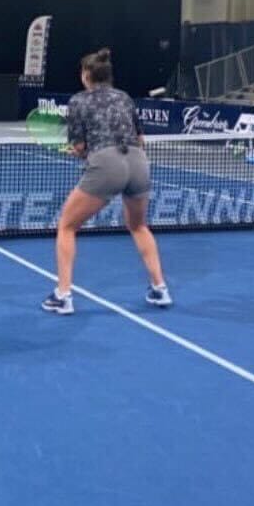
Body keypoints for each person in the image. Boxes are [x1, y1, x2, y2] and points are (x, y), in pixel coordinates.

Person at [42, 48, 171, 315]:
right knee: (138, 226)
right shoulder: (124, 98)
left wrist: (82, 153)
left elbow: (79, 146)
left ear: (86, 75)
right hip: (137, 162)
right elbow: (139, 138)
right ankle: (160, 288)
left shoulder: (78, 101)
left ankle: (63, 295)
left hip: (106, 163)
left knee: (66, 226)